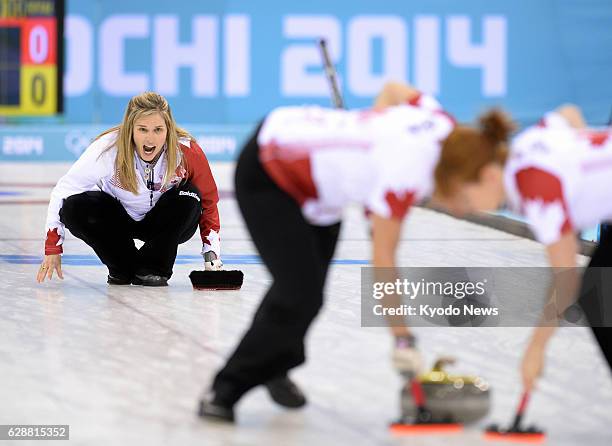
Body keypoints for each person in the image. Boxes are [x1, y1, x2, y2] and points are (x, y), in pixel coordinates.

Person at [197, 81, 512, 422]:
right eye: (466, 202)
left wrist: (367, 130)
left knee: (308, 292)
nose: (461, 211)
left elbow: (393, 89)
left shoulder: (443, 124)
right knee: (297, 293)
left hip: (321, 189)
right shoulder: (404, 170)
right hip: (269, 167)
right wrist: (402, 339)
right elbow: (384, 261)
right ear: (469, 176)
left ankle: (274, 364)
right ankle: (224, 388)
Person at [433, 104, 612, 392]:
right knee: (599, 292)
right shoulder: (526, 146)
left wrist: (535, 350)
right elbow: (568, 114)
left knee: (599, 292)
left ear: (489, 176)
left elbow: (566, 278)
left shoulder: (534, 187)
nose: (469, 211)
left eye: (466, 200)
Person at [36, 92, 223, 287]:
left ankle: (154, 268)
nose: (150, 139)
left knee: (190, 196)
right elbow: (64, 190)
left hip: (165, 224)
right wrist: (53, 247)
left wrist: (212, 253)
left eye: (158, 130)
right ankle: (122, 267)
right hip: (118, 222)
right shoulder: (107, 149)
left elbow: (209, 202)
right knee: (74, 206)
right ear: (130, 129)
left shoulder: (186, 151)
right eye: (143, 129)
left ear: (169, 129)